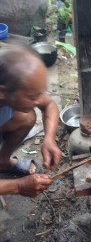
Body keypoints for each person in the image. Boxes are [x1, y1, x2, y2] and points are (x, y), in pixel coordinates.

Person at [0, 45, 62, 197]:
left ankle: (2, 161)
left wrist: (49, 139)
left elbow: (49, 105)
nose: (38, 100)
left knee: (26, 117)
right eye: (31, 97)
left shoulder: (10, 88)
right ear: (2, 92)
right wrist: (18, 186)